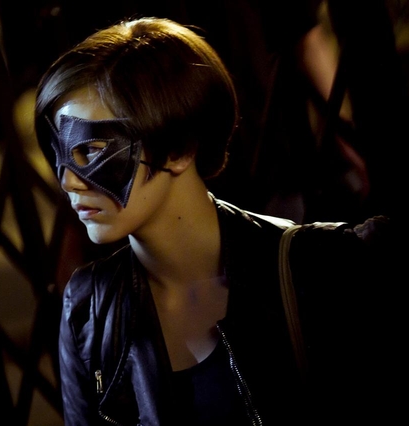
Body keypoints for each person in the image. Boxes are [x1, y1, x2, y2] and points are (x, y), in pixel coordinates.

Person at [34, 16, 389, 426]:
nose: (68, 181)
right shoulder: (88, 311)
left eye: (93, 150)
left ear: (180, 148)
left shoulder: (324, 265)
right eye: (59, 155)